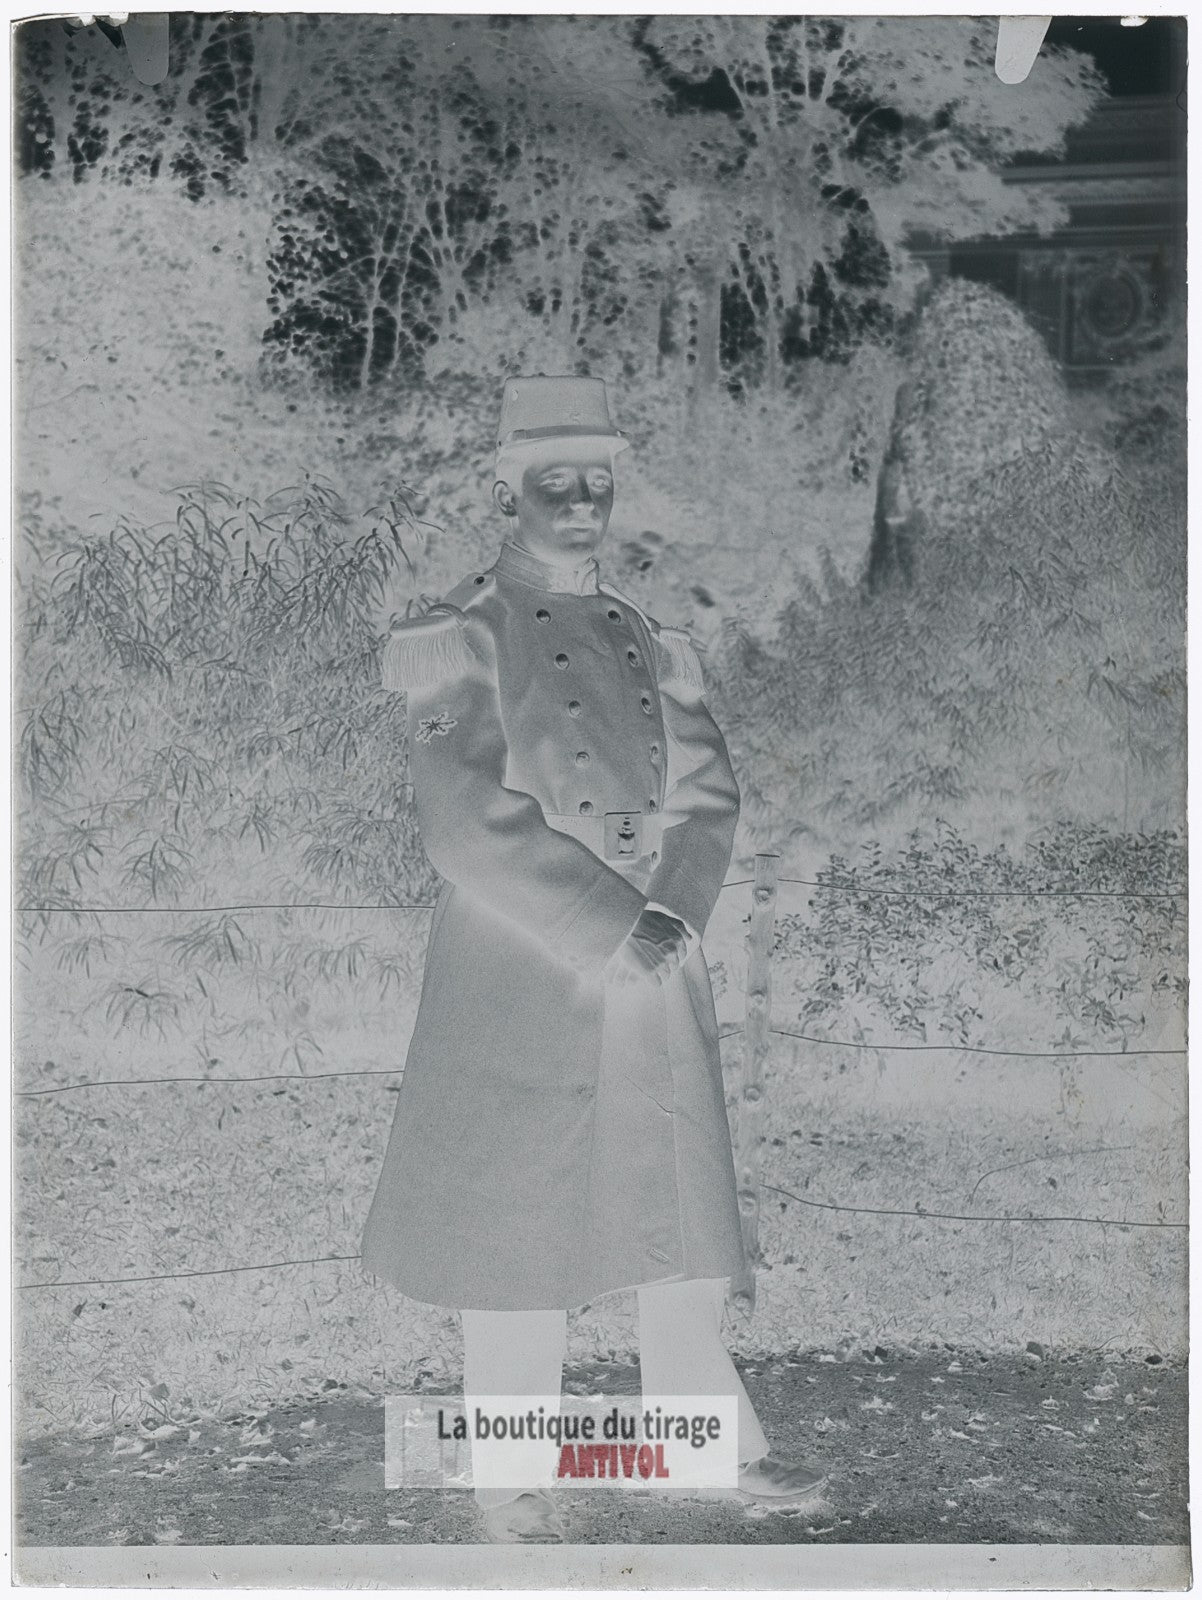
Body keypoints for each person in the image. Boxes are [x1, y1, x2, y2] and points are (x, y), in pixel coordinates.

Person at [359, 375, 825, 1541]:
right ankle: (509, 1478)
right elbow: (462, 816)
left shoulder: (646, 637)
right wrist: (608, 919)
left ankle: (700, 1451)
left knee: (676, 1224)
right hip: (526, 961)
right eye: (555, 482)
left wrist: (669, 910)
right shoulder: (458, 635)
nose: (580, 504)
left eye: (598, 483)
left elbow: (708, 797)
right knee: (515, 1220)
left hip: (656, 964)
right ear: (508, 488)